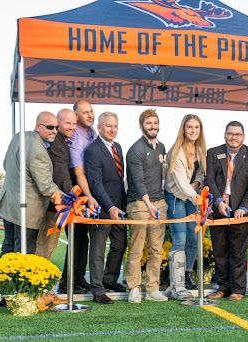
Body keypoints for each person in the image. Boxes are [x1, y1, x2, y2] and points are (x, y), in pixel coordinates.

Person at [0, 112, 63, 305]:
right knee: (23, 253)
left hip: (9, 204)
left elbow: (6, 164)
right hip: (27, 209)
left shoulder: (19, 136)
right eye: (49, 127)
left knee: (8, 250)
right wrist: (66, 199)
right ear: (38, 126)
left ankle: (1, 293)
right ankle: (18, 297)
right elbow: (46, 185)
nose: (54, 131)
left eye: (56, 127)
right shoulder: (39, 150)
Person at [204, 121, 248, 301]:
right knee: (220, 251)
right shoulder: (213, 153)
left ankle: (238, 290)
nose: (234, 137)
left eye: (237, 134)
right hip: (218, 210)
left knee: (238, 252)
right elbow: (210, 180)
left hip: (241, 213)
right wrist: (219, 201)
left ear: (243, 136)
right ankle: (223, 287)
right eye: (230, 134)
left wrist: (245, 208)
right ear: (225, 134)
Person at [84, 112, 128, 304]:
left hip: (118, 207)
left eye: (115, 126)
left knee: (120, 244)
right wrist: (109, 206)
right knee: (98, 250)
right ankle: (97, 289)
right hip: (102, 208)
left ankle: (109, 279)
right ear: (99, 128)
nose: (112, 130)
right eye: (108, 126)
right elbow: (96, 184)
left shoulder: (117, 147)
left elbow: (119, 180)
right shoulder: (93, 151)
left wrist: (120, 205)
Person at [125, 108, 168, 304]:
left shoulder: (161, 147)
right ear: (141, 125)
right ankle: (133, 287)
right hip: (140, 204)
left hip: (159, 203)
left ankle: (153, 288)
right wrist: (149, 205)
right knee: (136, 249)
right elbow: (138, 181)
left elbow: (162, 174)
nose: (153, 126)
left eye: (155, 123)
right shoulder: (135, 150)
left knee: (156, 250)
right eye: (149, 123)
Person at [58, 99, 98, 294]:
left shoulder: (93, 133)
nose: (90, 115)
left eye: (91, 111)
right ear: (76, 116)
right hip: (80, 192)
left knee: (84, 240)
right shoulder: (75, 138)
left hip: (92, 190)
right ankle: (67, 283)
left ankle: (79, 279)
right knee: (77, 238)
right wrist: (88, 196)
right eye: (85, 112)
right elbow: (79, 173)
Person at [164, 114, 206, 292]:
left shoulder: (202, 149)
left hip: (193, 194)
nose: (193, 130)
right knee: (180, 238)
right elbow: (181, 183)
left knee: (195, 236)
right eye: (189, 127)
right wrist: (199, 198)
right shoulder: (176, 151)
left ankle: (187, 273)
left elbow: (202, 174)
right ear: (183, 129)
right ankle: (177, 281)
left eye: (196, 127)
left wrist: (196, 186)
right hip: (176, 196)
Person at [36, 109, 77, 261]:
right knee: (46, 246)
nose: (72, 127)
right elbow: (61, 175)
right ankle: (39, 283)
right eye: (67, 123)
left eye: (74, 123)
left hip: (51, 203)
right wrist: (74, 199)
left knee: (45, 246)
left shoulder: (60, 141)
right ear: (57, 123)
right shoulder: (57, 143)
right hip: (50, 205)